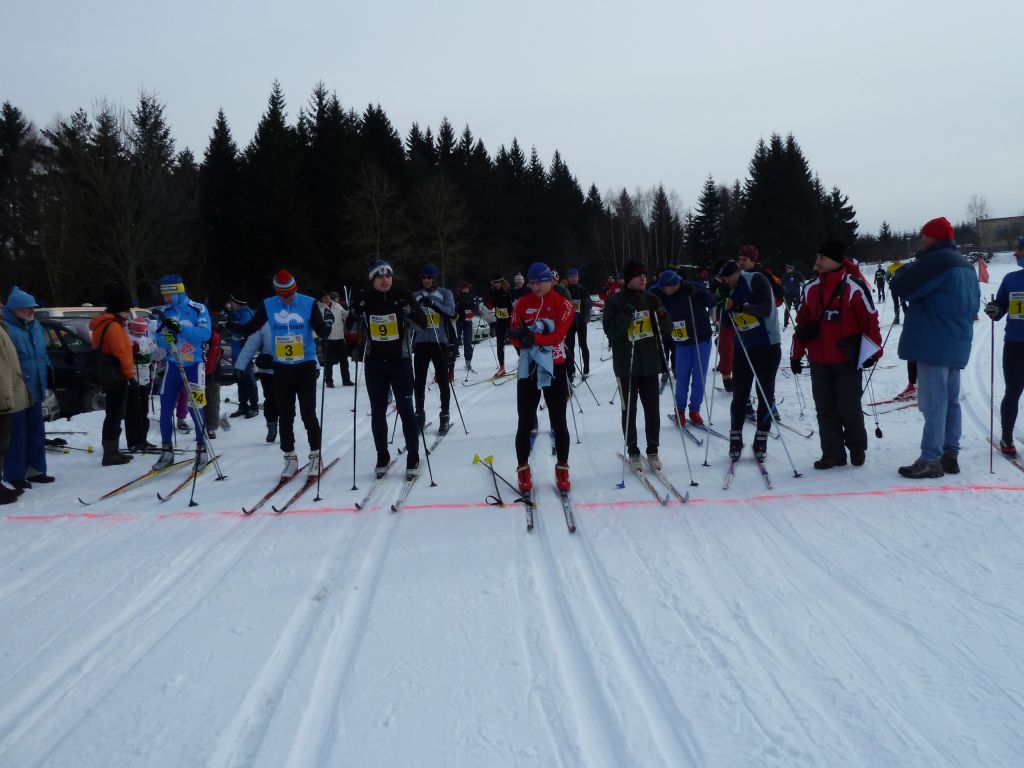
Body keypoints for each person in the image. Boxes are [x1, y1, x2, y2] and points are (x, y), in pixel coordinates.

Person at [890, 216, 980, 478]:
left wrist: (913, 265)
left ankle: (930, 458)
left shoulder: (937, 260)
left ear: (934, 237)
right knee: (951, 400)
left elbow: (902, 285)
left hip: (933, 342)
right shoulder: (966, 265)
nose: (922, 241)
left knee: (933, 402)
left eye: (924, 236)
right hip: (957, 342)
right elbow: (974, 304)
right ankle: (949, 453)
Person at [791, 240, 882, 469]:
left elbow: (870, 321)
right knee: (824, 409)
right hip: (819, 360)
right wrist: (796, 355)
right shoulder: (810, 288)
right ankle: (832, 453)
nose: (817, 261)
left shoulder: (854, 287)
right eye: (817, 257)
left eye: (822, 257)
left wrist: (873, 351)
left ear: (835, 260)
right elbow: (802, 324)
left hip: (847, 359)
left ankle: (857, 447)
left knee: (849, 407)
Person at [349, 260, 428, 479]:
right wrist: (354, 312)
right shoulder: (365, 297)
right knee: (378, 410)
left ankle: (413, 455)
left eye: (388, 276)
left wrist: (408, 311)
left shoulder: (402, 295)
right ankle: (382, 455)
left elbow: (422, 325)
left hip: (400, 361)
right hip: (374, 362)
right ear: (372, 279)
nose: (385, 280)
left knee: (406, 409)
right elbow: (350, 328)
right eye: (380, 277)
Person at [509, 262, 575, 492]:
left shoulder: (563, 304)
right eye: (532, 283)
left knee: (559, 420)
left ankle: (563, 466)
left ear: (550, 281)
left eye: (539, 283)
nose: (535, 287)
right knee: (525, 420)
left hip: (554, 366)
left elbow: (558, 336)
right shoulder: (521, 303)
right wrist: (519, 339)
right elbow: (513, 332)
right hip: (528, 368)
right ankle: (523, 468)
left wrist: (532, 338)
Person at [603, 261, 672, 470]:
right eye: (638, 275)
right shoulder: (614, 301)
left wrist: (660, 311)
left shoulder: (650, 298)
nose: (643, 279)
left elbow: (667, 328)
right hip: (626, 366)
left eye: (645, 275)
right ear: (628, 279)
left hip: (649, 364)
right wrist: (627, 312)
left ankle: (653, 450)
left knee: (652, 410)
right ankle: (633, 451)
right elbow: (611, 331)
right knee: (629, 410)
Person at [717, 261, 782, 462]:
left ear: (735, 273)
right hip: (743, 347)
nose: (724, 282)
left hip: (767, 346)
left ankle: (761, 438)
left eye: (726, 278)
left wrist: (737, 306)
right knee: (740, 394)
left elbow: (765, 308)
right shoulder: (730, 290)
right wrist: (724, 307)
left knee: (765, 394)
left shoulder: (757, 279)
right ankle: (735, 437)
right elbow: (727, 323)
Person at [152, 275, 212, 471]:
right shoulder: (164, 312)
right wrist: (166, 339)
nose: (166, 299)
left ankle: (202, 449)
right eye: (164, 296)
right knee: (166, 407)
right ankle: (166, 450)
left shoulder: (198, 309)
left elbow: (205, 334)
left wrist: (181, 330)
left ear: (178, 292)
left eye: (169, 295)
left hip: (194, 364)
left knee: (196, 407)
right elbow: (159, 339)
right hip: (173, 364)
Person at [2, 287, 53, 489]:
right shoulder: (7, 329)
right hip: (17, 389)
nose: (32, 311)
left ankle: (36, 470)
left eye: (33, 307)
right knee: (16, 434)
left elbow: (42, 353)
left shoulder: (35, 326)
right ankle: (15, 474)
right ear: (14, 309)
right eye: (26, 308)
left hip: (36, 386)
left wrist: (48, 370)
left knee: (36, 431)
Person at [652, 269, 715, 426]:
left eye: (665, 287)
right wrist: (655, 295)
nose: (663, 290)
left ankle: (694, 410)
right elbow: (651, 292)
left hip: (701, 339)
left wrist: (699, 292)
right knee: (682, 377)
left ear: (673, 284)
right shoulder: (663, 294)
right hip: (681, 343)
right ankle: (679, 410)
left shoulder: (692, 288)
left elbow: (711, 301)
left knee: (699, 378)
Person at [983, 235, 1024, 457]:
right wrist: (994, 309)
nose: (1016, 253)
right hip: (1015, 345)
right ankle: (1007, 435)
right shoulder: (1011, 279)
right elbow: (1000, 309)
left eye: (1020, 249)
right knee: (1013, 391)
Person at [88, 294, 137, 466]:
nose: (128, 314)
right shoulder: (114, 326)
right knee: (115, 414)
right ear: (118, 310)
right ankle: (110, 454)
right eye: (126, 310)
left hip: (106, 374)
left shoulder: (101, 324)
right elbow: (122, 353)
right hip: (116, 375)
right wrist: (130, 376)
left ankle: (112, 450)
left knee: (112, 413)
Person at [412, 263, 456, 433]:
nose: (426, 280)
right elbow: (408, 316)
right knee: (419, 381)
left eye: (429, 277)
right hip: (421, 342)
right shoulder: (416, 295)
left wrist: (433, 304)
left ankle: (444, 415)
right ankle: (419, 414)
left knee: (443, 380)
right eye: (423, 277)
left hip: (440, 342)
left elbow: (451, 312)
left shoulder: (445, 293)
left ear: (435, 278)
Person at [0, 307, 32, 504]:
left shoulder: (3, 327)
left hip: (7, 395)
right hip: (3, 397)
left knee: (3, 444)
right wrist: (5, 397)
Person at [234, 321, 279, 442]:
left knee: (286, 401)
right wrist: (240, 366)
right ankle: (272, 426)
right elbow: (250, 346)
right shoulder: (264, 324)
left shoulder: (293, 321)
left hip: (288, 369)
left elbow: (306, 344)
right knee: (271, 400)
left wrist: (315, 365)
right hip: (268, 370)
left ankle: (287, 429)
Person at [125, 316, 157, 453]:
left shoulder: (146, 340)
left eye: (141, 332)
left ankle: (143, 439)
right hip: (132, 381)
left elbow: (155, 353)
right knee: (133, 413)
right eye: (137, 332)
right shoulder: (127, 339)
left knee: (144, 412)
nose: (139, 334)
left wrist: (158, 355)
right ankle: (133, 441)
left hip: (145, 380)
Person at [224, 294, 259, 417]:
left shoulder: (246, 314)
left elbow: (241, 330)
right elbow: (230, 325)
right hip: (236, 351)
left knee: (248, 378)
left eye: (232, 302)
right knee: (239, 379)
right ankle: (243, 406)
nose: (231, 304)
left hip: (245, 353)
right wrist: (227, 314)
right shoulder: (237, 313)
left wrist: (230, 324)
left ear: (237, 303)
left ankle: (254, 406)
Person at [318, 291, 353, 387]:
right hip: (327, 338)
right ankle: (329, 380)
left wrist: (349, 311)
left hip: (339, 337)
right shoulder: (318, 307)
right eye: (325, 298)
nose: (327, 299)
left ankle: (346, 379)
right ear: (321, 299)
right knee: (328, 361)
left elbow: (345, 315)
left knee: (344, 360)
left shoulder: (337, 305)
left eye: (328, 297)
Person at [564, 268, 593, 379]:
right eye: (571, 276)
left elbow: (590, 304)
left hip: (581, 321)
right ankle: (571, 370)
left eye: (575, 276)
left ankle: (586, 369)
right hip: (569, 322)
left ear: (578, 277)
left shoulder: (583, 289)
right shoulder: (566, 290)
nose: (573, 278)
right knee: (570, 346)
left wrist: (585, 301)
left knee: (583, 345)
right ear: (568, 278)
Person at [486, 278, 514, 376]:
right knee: (499, 344)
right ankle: (502, 367)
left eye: (498, 282)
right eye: (495, 283)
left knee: (515, 341)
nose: (496, 284)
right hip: (500, 321)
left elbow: (515, 304)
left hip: (510, 320)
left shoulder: (507, 291)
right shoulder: (493, 293)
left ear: (502, 282)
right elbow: (489, 306)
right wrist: (489, 296)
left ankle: (523, 360)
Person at [454, 282, 477, 371]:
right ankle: (452, 360)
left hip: (468, 321)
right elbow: (454, 308)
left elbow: (474, 308)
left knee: (468, 342)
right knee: (456, 341)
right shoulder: (458, 297)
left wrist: (476, 309)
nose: (467, 289)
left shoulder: (469, 297)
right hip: (459, 321)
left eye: (467, 288)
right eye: (465, 288)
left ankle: (468, 361)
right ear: (462, 288)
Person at [781, 264, 805, 329]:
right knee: (787, 309)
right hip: (787, 294)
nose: (787, 269)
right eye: (786, 268)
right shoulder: (785, 275)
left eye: (788, 268)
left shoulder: (798, 274)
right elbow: (782, 284)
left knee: (798, 308)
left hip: (796, 294)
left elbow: (803, 282)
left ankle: (800, 322)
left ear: (792, 268)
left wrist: (800, 283)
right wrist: (782, 289)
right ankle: (785, 323)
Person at [887, 255, 908, 324]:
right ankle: (897, 319)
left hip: (902, 288)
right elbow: (886, 277)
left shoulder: (903, 266)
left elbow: (908, 275)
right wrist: (889, 282)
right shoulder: (890, 267)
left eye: (897, 260)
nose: (896, 261)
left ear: (899, 260)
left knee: (903, 303)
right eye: (895, 260)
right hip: (894, 288)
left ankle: (907, 318)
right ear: (893, 261)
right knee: (896, 303)